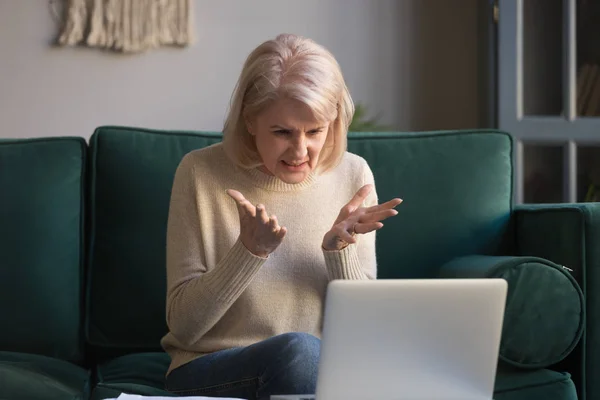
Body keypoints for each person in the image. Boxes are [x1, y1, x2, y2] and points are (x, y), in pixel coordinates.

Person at [161, 33, 402, 400]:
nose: (300, 151)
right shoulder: (199, 173)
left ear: (334, 122)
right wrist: (248, 252)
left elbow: (363, 328)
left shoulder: (354, 175)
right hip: (212, 365)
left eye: (315, 131)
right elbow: (183, 326)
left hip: (322, 372)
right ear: (250, 120)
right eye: (282, 132)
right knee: (299, 354)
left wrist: (339, 250)